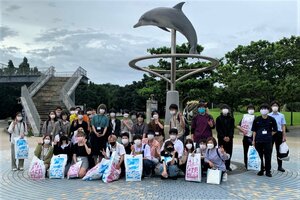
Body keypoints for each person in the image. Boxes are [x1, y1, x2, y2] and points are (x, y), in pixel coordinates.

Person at [252, 103, 278, 177]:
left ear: (268, 110)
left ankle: (268, 171)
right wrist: (253, 140)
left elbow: (275, 130)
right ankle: (261, 169)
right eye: (262, 109)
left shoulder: (272, 119)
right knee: (259, 156)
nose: (264, 110)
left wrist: (269, 135)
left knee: (268, 156)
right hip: (258, 141)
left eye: (265, 108)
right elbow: (254, 130)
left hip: (268, 141)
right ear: (260, 110)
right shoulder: (257, 119)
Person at [268, 101, 287, 172]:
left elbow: (283, 126)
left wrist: (284, 136)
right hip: (271, 134)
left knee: (279, 151)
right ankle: (268, 166)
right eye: (273, 105)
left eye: (276, 105)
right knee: (269, 150)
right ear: (271, 107)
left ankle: (280, 166)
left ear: (278, 107)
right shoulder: (269, 115)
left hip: (279, 134)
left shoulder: (281, 115)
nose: (275, 106)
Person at [216, 104, 235, 171]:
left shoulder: (231, 119)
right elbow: (218, 129)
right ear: (221, 110)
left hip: (230, 139)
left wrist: (229, 137)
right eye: (223, 108)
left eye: (226, 108)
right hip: (221, 138)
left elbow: (232, 129)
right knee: (221, 151)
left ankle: (227, 165)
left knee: (229, 151)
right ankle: (221, 164)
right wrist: (223, 137)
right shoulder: (218, 118)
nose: (225, 109)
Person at [237, 104, 256, 169]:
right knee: (246, 151)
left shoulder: (256, 117)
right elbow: (238, 126)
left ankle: (253, 164)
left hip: (252, 137)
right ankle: (246, 164)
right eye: (249, 109)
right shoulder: (244, 117)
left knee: (253, 151)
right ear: (247, 110)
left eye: (252, 108)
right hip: (245, 137)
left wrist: (254, 140)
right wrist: (243, 130)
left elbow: (256, 129)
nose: (251, 110)